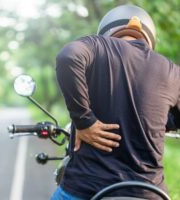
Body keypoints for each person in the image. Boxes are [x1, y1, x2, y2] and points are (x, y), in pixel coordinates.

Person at [52, 4, 180, 200]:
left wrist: (84, 121)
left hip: (87, 188)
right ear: (149, 36)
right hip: (149, 192)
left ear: (107, 30)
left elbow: (68, 57)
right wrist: (159, 121)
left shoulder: (97, 46)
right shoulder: (171, 71)